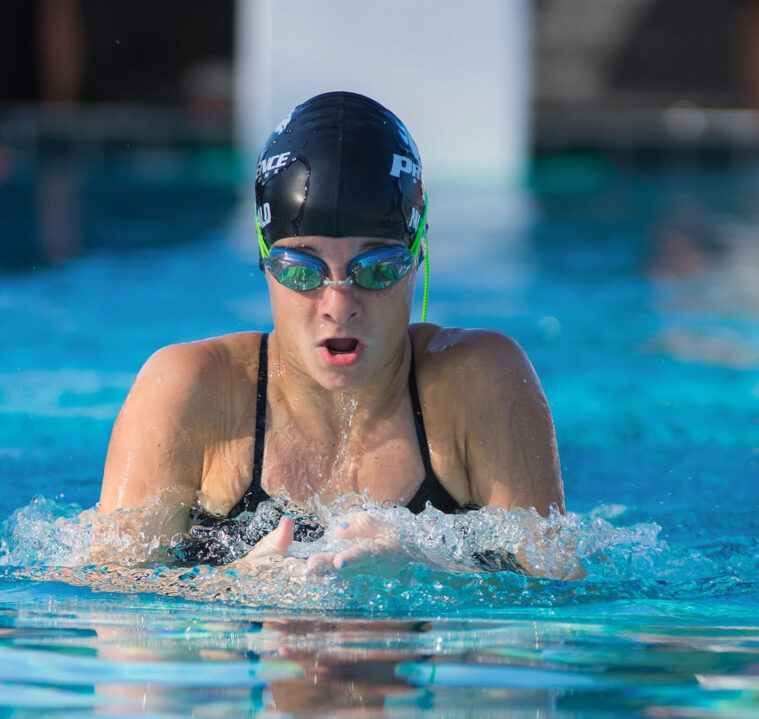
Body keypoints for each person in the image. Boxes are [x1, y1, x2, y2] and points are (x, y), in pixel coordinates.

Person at [87, 91, 580, 579]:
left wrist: (427, 571)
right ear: (265, 262)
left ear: (418, 256)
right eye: (303, 270)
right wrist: (233, 592)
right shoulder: (188, 391)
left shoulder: (482, 383)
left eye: (378, 269)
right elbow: (107, 608)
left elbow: (557, 607)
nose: (340, 305)